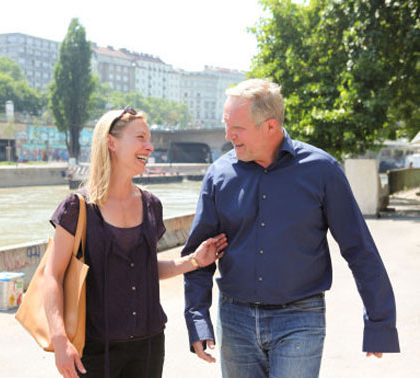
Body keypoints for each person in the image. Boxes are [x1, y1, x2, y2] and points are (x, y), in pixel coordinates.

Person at [182, 79, 400, 378]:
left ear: (270, 126)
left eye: (238, 128)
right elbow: (198, 254)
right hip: (235, 320)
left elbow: (358, 247)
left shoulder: (322, 171)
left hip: (300, 318)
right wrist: (198, 319)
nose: (228, 135)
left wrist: (379, 323)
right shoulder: (219, 174)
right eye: (226, 124)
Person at [43, 106, 228, 378]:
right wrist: (59, 339)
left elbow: (145, 270)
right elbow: (53, 276)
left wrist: (193, 262)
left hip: (149, 345)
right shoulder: (77, 207)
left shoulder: (151, 204)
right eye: (140, 137)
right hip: (93, 349)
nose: (150, 146)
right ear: (111, 142)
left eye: (149, 139)